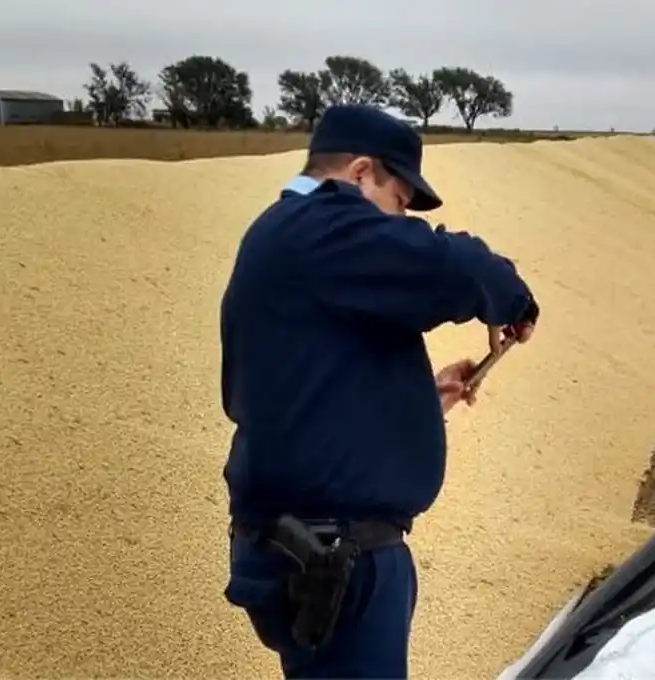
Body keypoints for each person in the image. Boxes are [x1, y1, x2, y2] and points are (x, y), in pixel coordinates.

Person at [219, 103, 539, 679]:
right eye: (398, 204)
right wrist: (514, 298)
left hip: (305, 543)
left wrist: (418, 397)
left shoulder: (288, 238)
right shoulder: (321, 228)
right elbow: (459, 269)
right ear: (362, 172)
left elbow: (304, 387)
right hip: (334, 555)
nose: (398, 223)